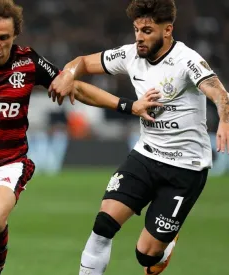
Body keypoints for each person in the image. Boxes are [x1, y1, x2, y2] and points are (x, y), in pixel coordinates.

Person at [0, 1, 162, 274]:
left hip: (7, 164)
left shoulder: (28, 62)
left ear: (14, 37)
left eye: (4, 38)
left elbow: (75, 88)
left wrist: (129, 106)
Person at [48, 0, 229, 274]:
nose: (139, 38)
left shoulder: (186, 60)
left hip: (185, 169)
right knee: (103, 226)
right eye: (136, 30)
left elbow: (219, 92)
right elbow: (82, 62)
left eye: (147, 31)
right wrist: (68, 74)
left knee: (146, 256)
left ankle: (165, 243)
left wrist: (225, 121)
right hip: (145, 156)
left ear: (167, 30)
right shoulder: (130, 54)